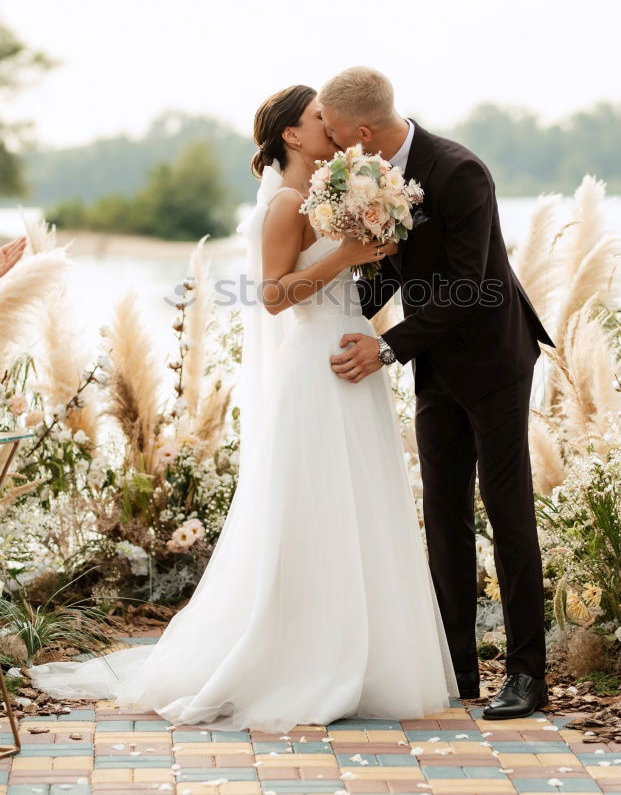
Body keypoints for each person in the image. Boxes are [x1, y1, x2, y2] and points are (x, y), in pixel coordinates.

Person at [29, 85, 458, 730]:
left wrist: (377, 239)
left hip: (351, 354)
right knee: (314, 509)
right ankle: (306, 660)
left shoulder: (323, 196)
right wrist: (348, 253)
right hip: (316, 364)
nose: (333, 129)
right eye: (320, 120)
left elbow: (355, 276)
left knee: (360, 504)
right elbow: (276, 297)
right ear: (292, 134)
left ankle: (364, 658)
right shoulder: (286, 202)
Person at [319, 67, 554, 720]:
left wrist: (386, 347)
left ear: (363, 132)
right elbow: (395, 266)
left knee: (506, 514)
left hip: (493, 359)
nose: (334, 150)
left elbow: (468, 280)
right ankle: (456, 666)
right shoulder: (373, 176)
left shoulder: (458, 171)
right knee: (444, 515)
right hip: (434, 364)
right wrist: (334, 320)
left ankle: (527, 676)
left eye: (338, 137)